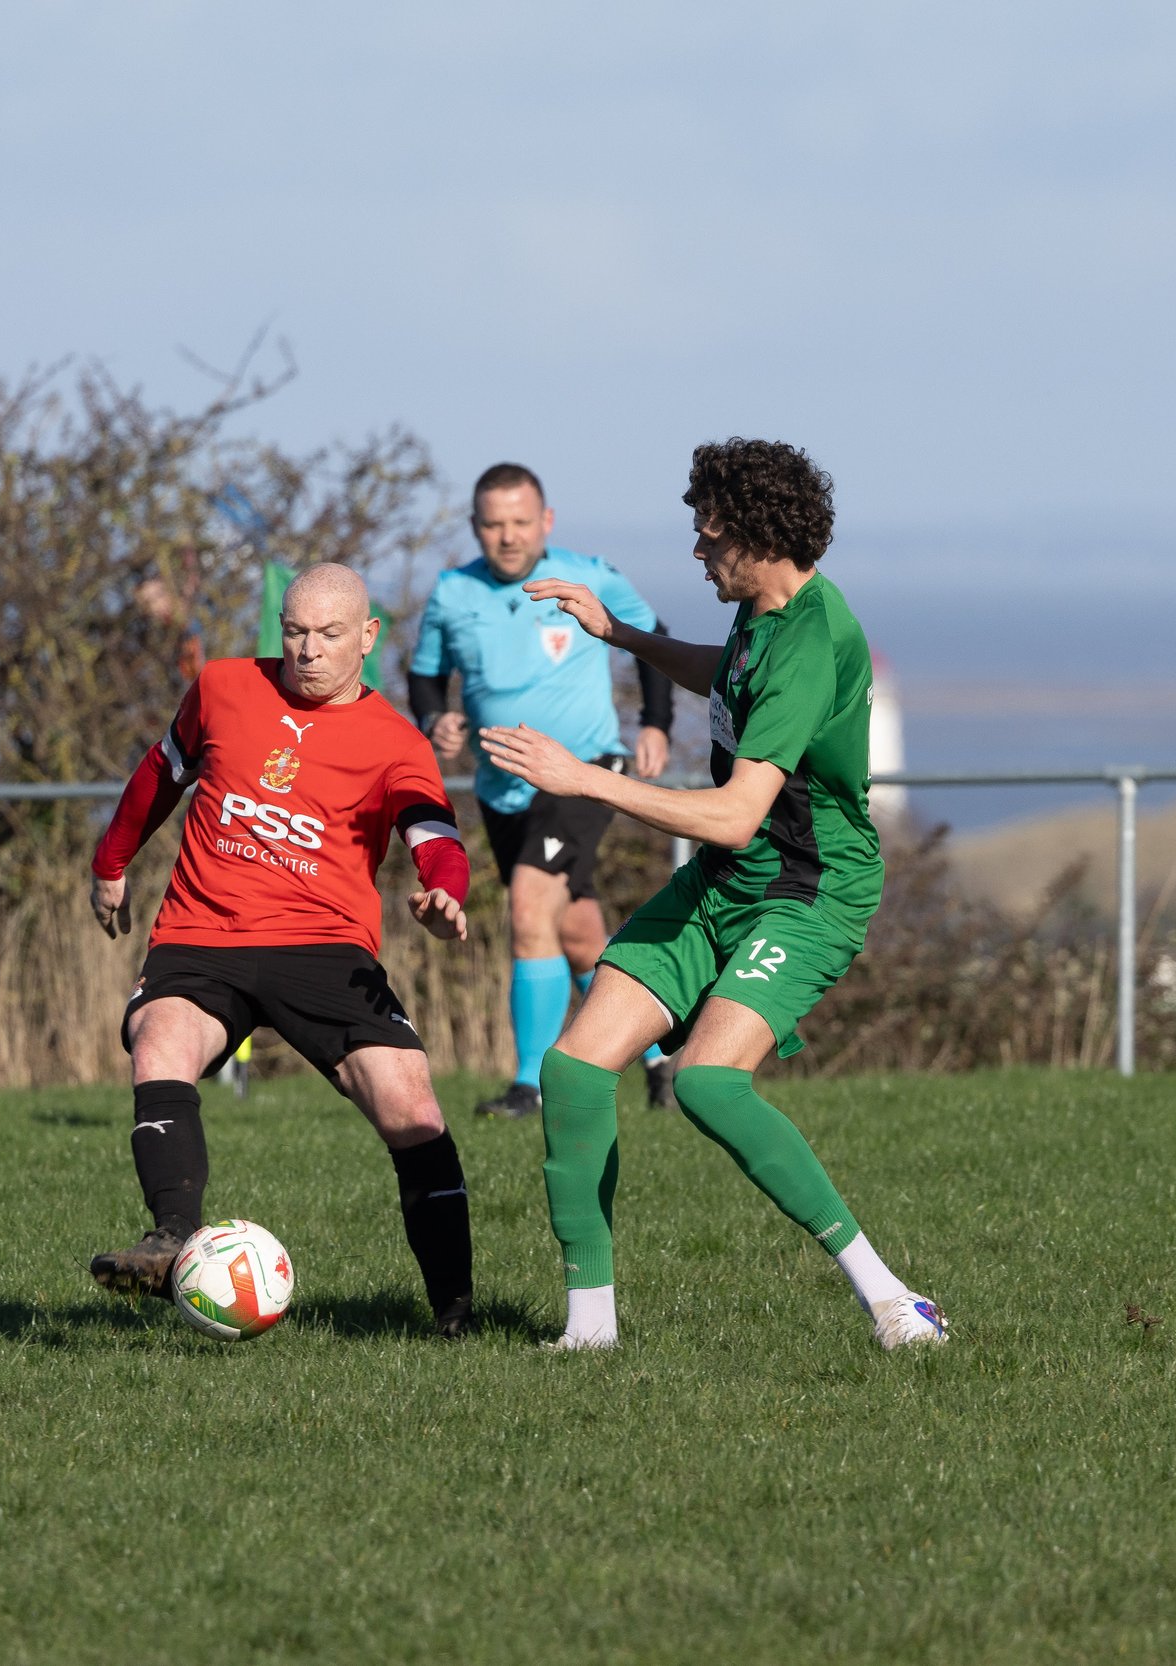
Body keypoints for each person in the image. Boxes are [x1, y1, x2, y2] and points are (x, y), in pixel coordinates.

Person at [479, 438, 945, 1352]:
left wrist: (587, 780)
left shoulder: (814, 638)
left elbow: (734, 816)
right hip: (730, 882)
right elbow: (726, 676)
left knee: (706, 1084)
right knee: (571, 1073)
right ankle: (590, 1333)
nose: (696, 549)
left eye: (710, 533)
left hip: (808, 893)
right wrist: (621, 635)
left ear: (760, 534)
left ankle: (891, 1300)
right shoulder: (764, 615)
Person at [85, 563, 481, 1336]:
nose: (306, 650)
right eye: (294, 632)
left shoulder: (394, 741)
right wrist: (111, 863)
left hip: (326, 946)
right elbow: (159, 774)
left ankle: (457, 1313)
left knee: (412, 1106)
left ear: (367, 637)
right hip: (203, 933)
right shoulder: (224, 686)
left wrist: (447, 892)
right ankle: (170, 1239)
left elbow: (435, 833)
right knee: (159, 1042)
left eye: (329, 635)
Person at [408, 463, 676, 1118]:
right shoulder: (451, 593)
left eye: (520, 522)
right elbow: (424, 676)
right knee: (578, 931)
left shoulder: (593, 576)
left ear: (546, 522)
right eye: (493, 524)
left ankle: (530, 1084)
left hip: (584, 771)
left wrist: (656, 722)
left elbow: (653, 640)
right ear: (475, 527)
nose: (507, 536)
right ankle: (662, 1061)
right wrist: (434, 720)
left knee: (530, 905)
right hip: (504, 786)